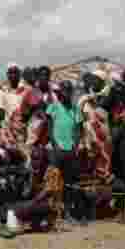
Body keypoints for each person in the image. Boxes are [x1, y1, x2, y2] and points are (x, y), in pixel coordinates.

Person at [47, 80, 85, 224]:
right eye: (64, 91)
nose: (66, 94)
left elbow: (79, 130)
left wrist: (75, 146)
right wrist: (55, 145)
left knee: (69, 183)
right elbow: (49, 128)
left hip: (71, 151)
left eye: (69, 91)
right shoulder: (53, 107)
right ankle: (54, 213)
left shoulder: (76, 110)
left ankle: (67, 213)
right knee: (54, 182)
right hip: (57, 150)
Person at [12, 147, 65, 233]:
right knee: (17, 206)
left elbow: (45, 193)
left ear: (44, 160)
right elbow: (27, 193)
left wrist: (26, 206)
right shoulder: (35, 173)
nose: (33, 162)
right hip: (39, 203)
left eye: (36, 159)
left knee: (22, 208)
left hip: (51, 205)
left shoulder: (53, 171)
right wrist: (22, 180)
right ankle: (35, 224)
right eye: (32, 159)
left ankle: (48, 223)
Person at [0, 63, 23, 129]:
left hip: (21, 128)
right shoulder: (2, 91)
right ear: (7, 74)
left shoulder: (25, 90)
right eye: (10, 73)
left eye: (15, 72)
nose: (13, 75)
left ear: (19, 74)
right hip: (5, 129)